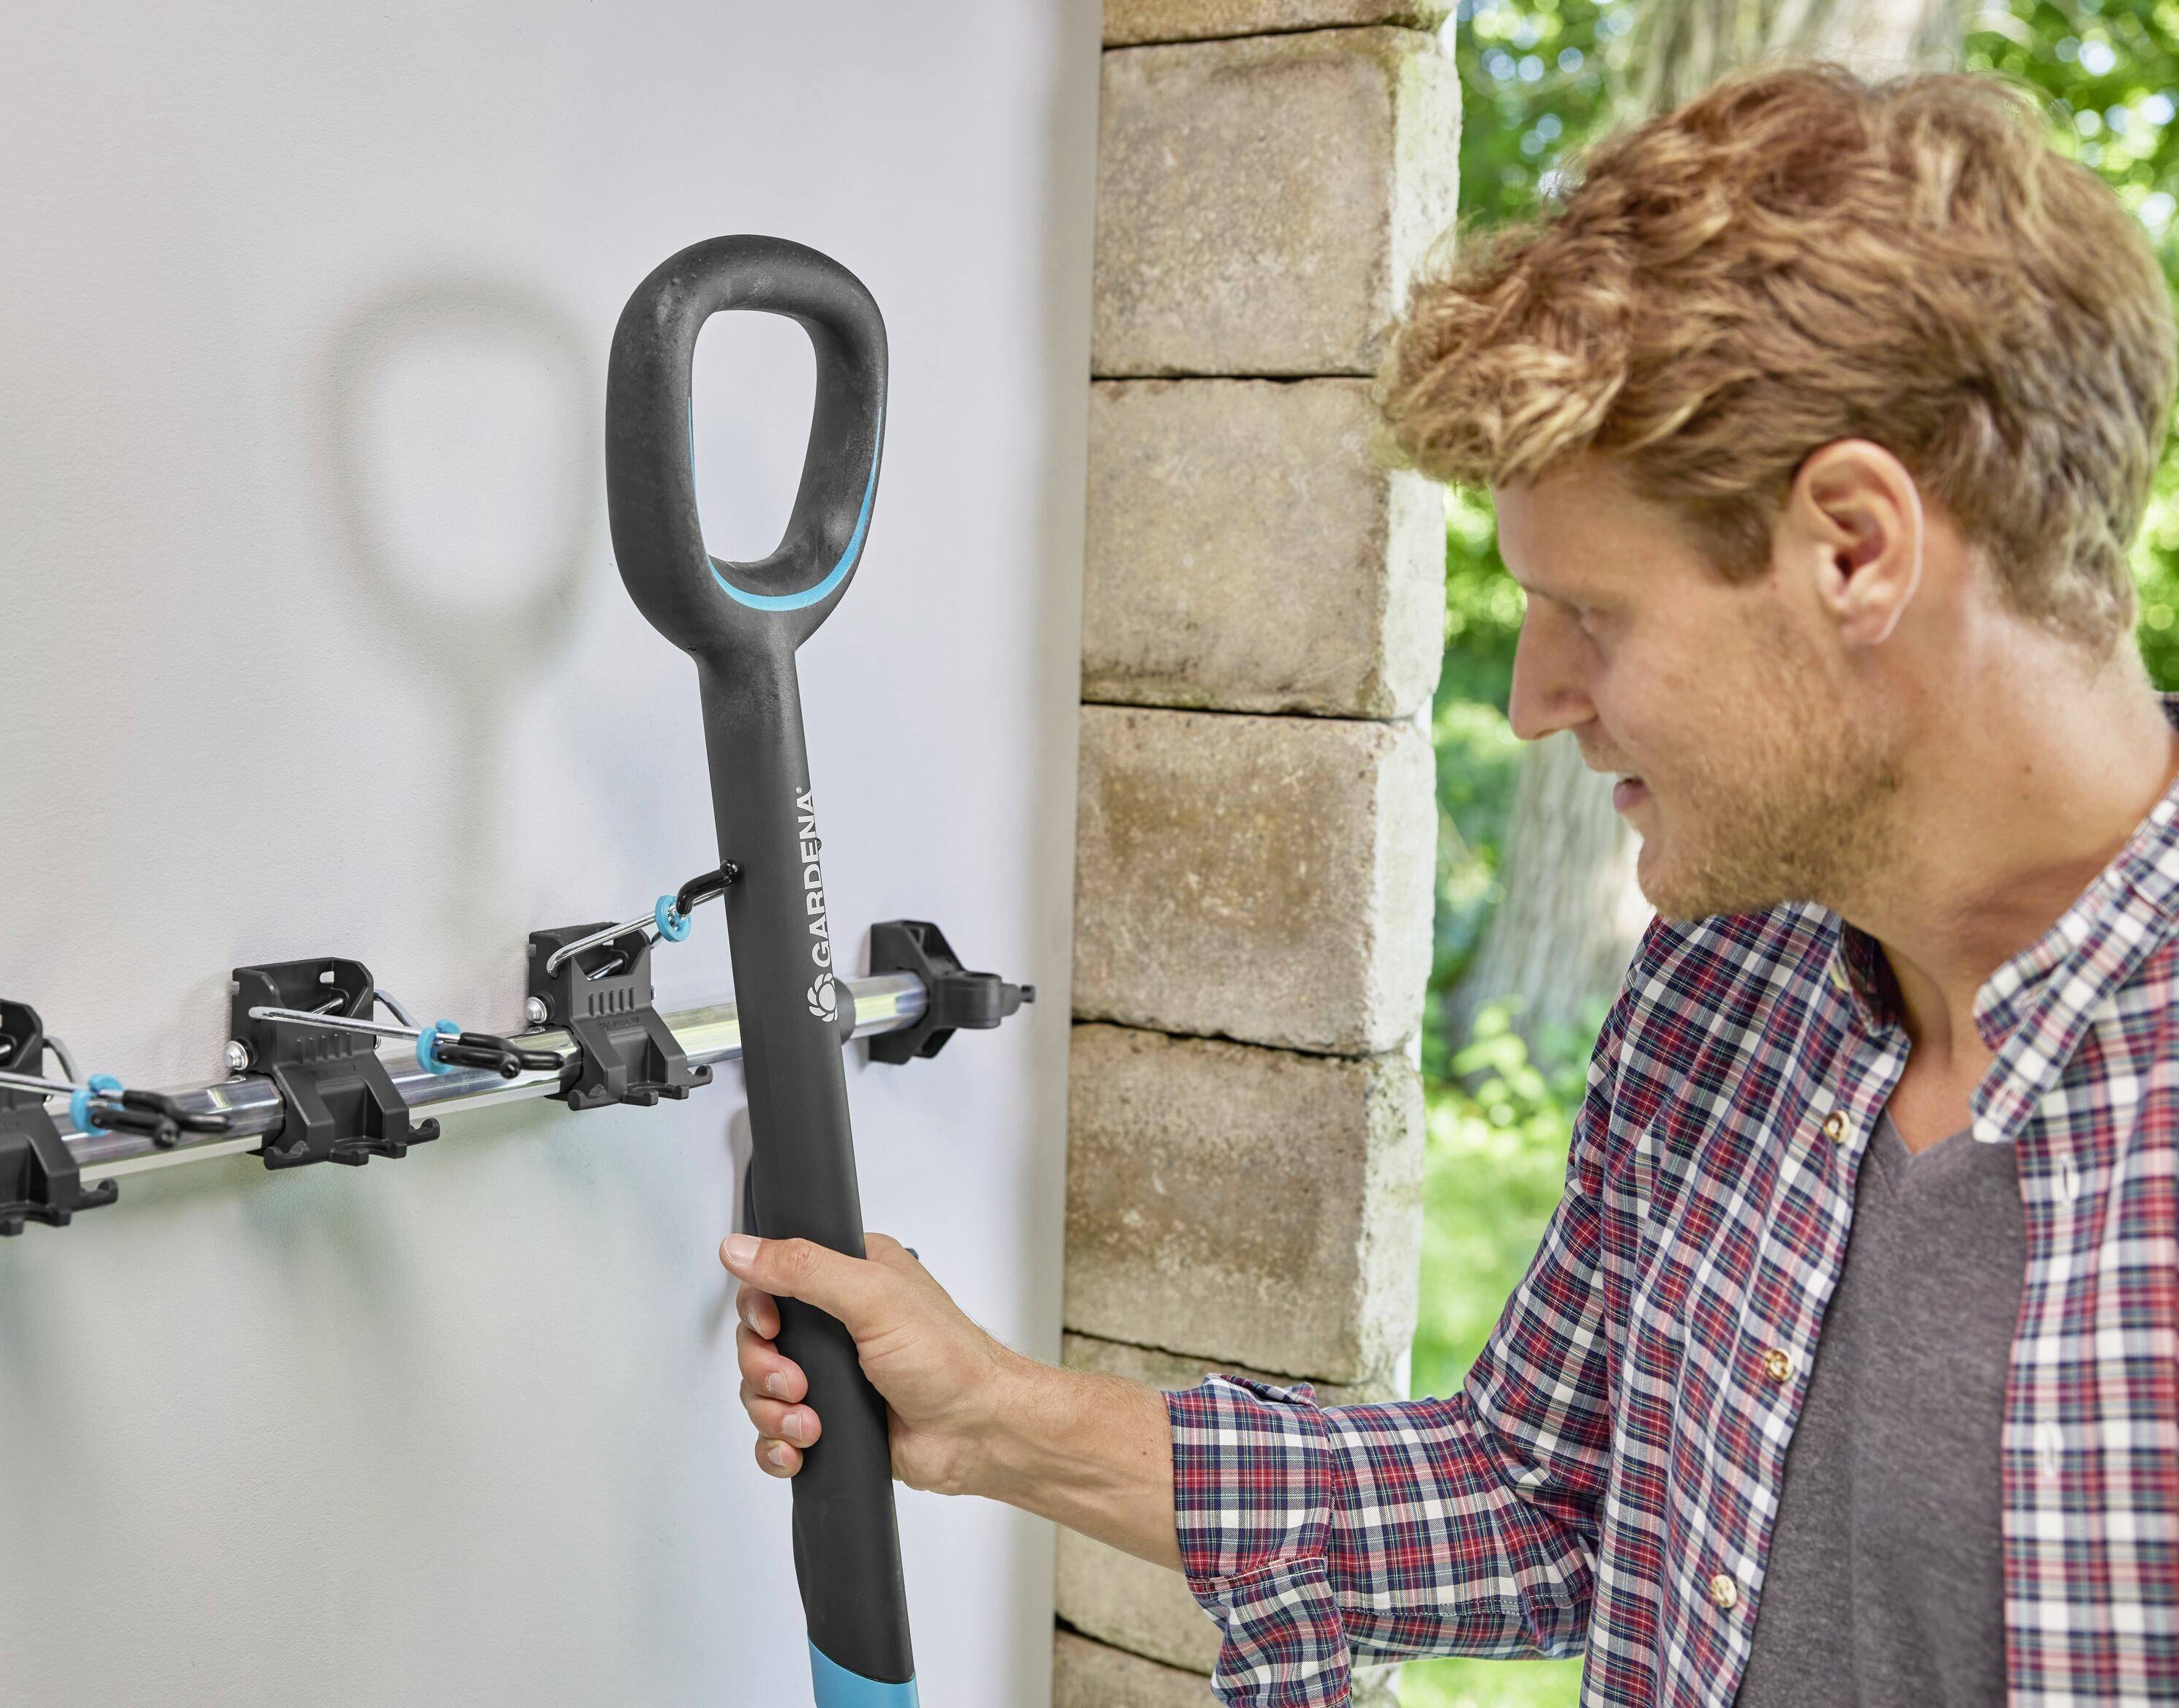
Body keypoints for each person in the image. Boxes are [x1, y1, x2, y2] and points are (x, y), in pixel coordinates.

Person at [718, 61, 2179, 1708]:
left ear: (1853, 547)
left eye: (1595, 616)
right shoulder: (1729, 991)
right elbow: (1545, 1498)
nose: (1533, 697)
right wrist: (994, 1416)